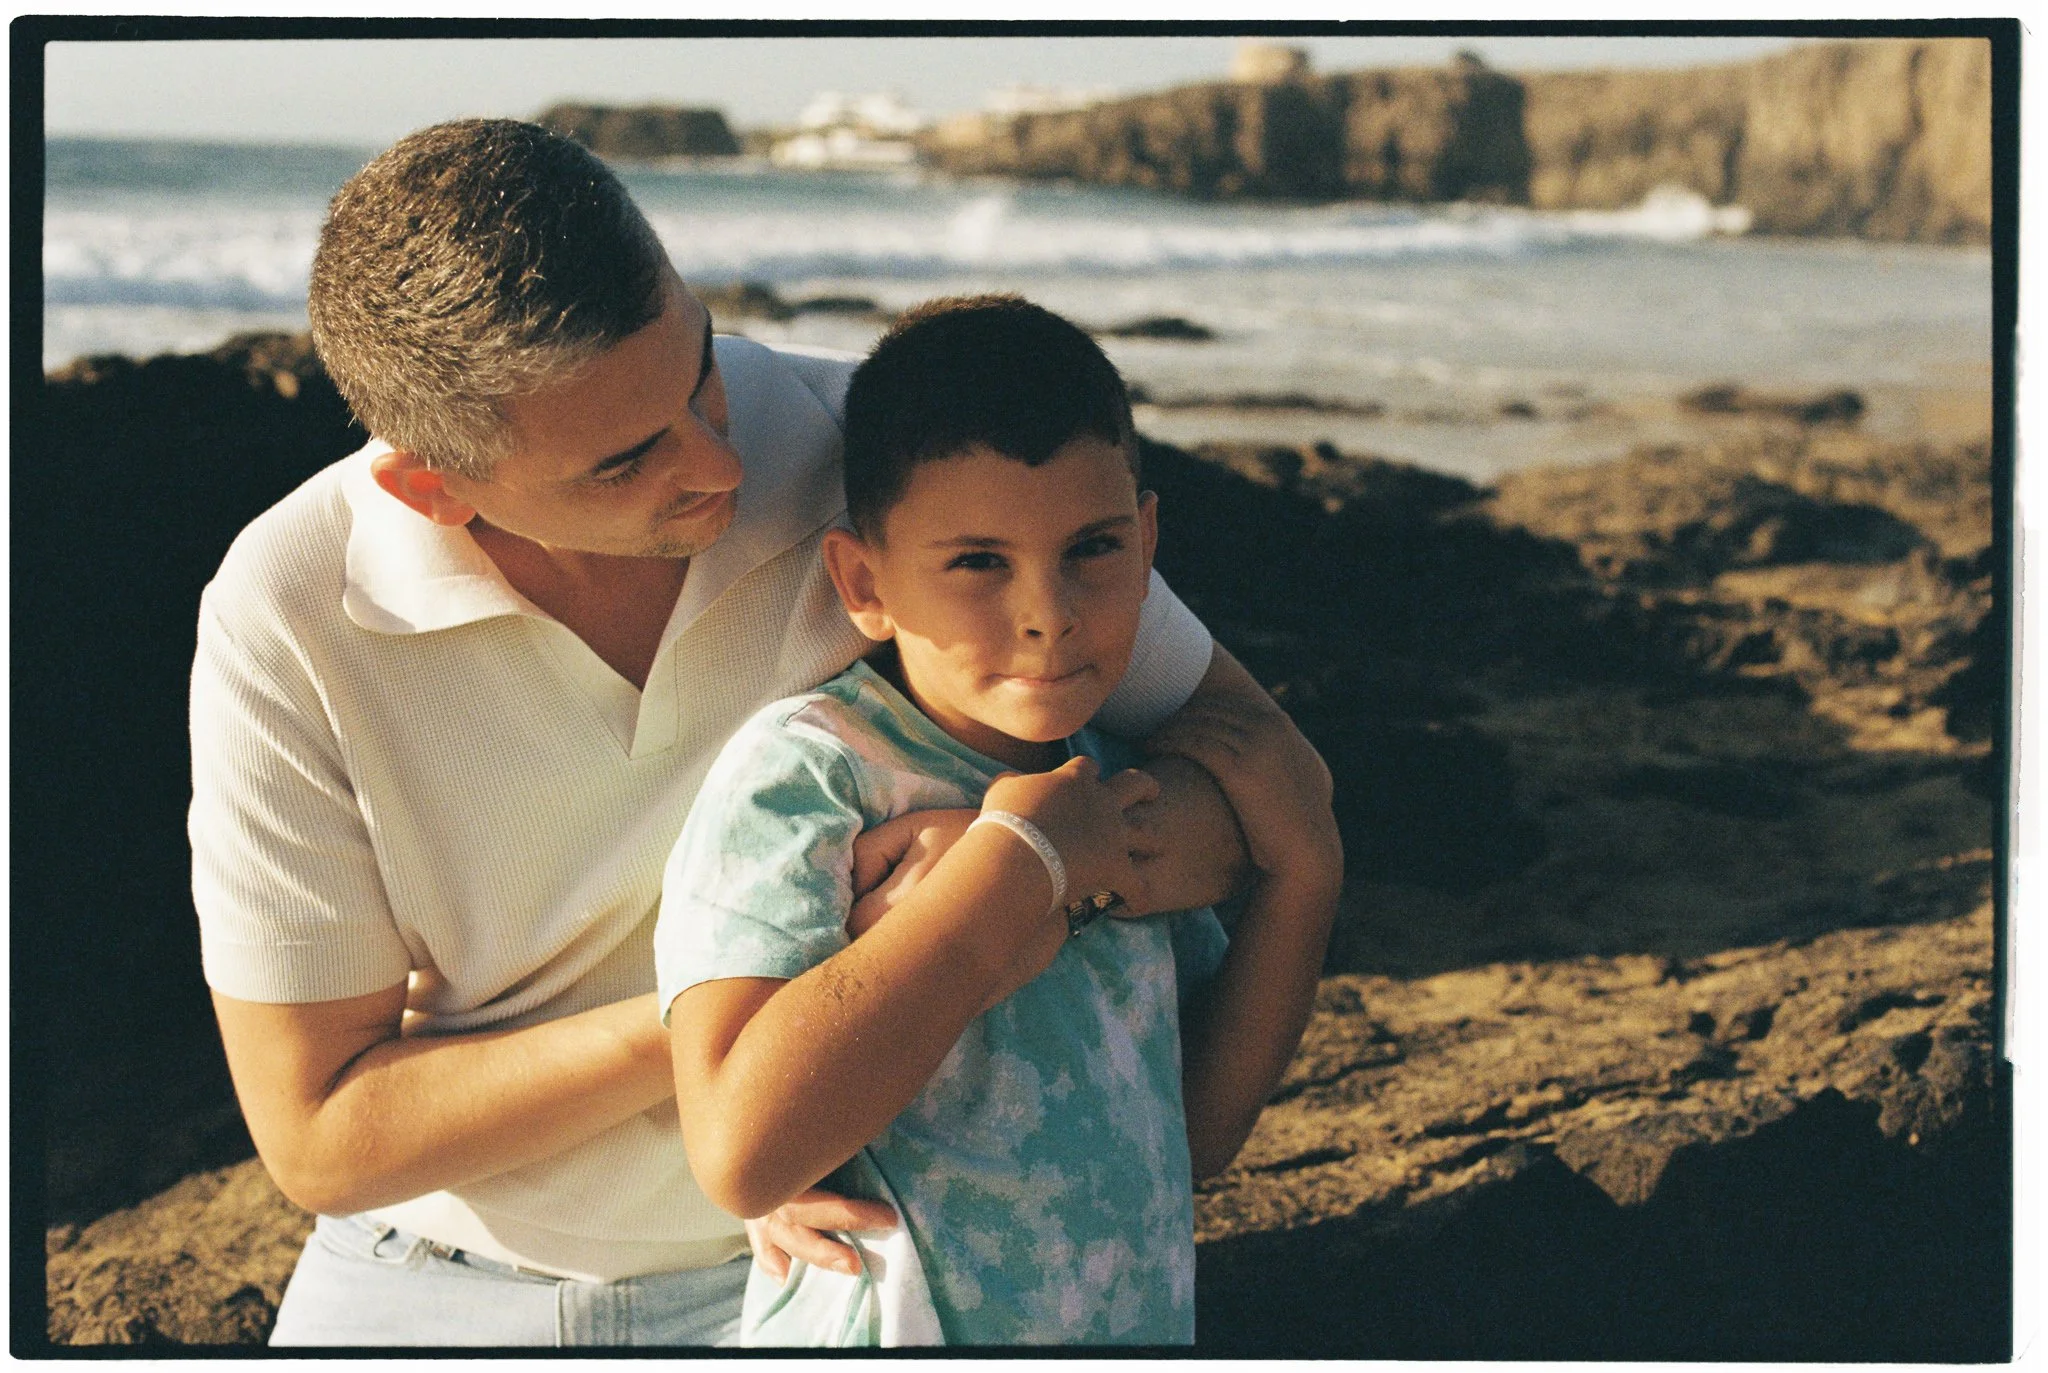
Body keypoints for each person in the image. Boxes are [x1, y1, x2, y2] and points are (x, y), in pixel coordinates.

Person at [187, 118, 1335, 1347]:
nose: (721, 464)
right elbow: (319, 1131)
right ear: (433, 484)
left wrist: (1008, 883)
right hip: (433, 1272)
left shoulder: (882, 452)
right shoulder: (292, 606)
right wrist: (790, 998)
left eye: (697, 373)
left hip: (838, 1266)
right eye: (628, 460)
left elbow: (1248, 773)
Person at [657, 296, 1342, 1346]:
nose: (1048, 611)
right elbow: (742, 1152)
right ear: (863, 582)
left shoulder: (1115, 771)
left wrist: (1303, 877)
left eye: (1094, 548)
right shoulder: (812, 774)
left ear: (1148, 540)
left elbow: (1189, 1137)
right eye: (978, 561)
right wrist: (1022, 860)